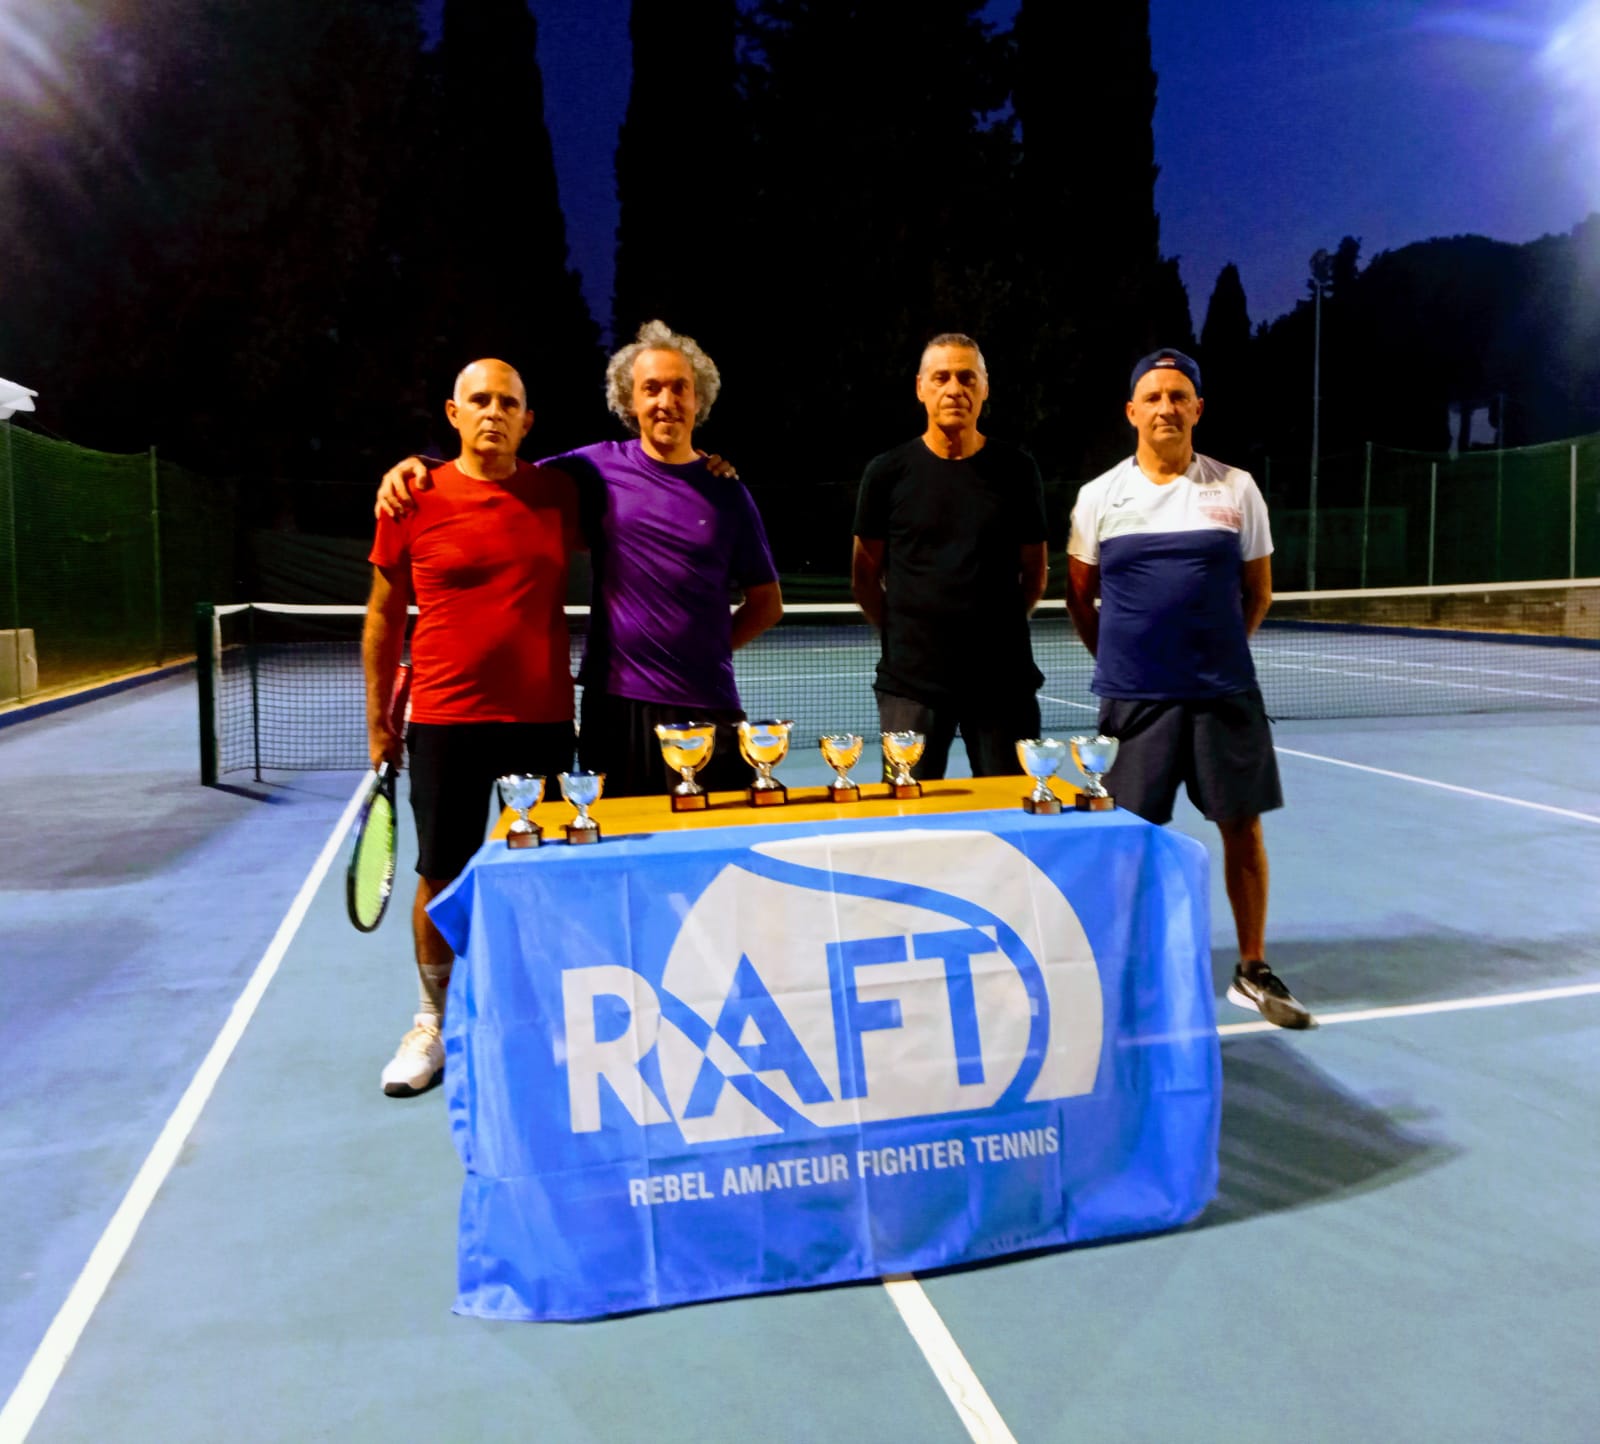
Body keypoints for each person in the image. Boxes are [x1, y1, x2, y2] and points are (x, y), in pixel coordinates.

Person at [379, 321, 783, 797]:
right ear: (630, 402)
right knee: (615, 853)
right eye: (651, 389)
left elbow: (767, 604)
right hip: (614, 707)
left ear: (699, 400)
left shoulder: (726, 491)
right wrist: (422, 467)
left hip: (708, 705)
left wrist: (706, 649)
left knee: (709, 857)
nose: (666, 401)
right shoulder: (593, 469)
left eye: (680, 389)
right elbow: (498, 472)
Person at [1065, 347, 1313, 1029]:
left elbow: (1256, 592)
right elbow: (1082, 598)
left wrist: (1218, 650)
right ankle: (1125, 970)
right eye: (1154, 396)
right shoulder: (1098, 497)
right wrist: (1124, 659)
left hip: (1222, 693)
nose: (1166, 407)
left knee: (1242, 827)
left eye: (1179, 396)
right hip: (1135, 700)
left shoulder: (1236, 490)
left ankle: (1252, 969)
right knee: (1128, 838)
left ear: (1198, 408)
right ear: (1131, 411)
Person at [364, 358, 580, 1096]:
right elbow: (384, 614)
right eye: (479, 400)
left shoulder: (558, 493)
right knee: (440, 874)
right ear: (452, 414)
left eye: (508, 402)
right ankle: (432, 1022)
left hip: (544, 720)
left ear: (527, 420)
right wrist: (377, 721)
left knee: (553, 874)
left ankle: (550, 1015)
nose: (493, 411)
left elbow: (643, 474)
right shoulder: (412, 498)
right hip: (446, 719)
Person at [851, 333, 1049, 779]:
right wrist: (905, 633)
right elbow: (864, 577)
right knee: (910, 831)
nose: (954, 389)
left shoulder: (1018, 471)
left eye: (967, 377)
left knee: (1013, 825)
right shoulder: (886, 473)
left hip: (1004, 688)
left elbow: (1034, 573)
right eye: (941, 377)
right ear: (921, 387)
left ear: (985, 388)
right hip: (911, 689)